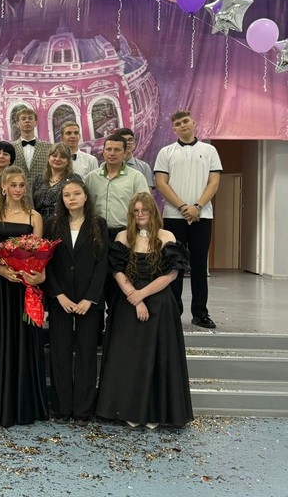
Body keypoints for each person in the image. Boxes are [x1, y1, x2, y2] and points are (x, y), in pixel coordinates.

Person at [96, 192, 193, 429]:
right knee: (128, 359)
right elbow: (117, 271)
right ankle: (128, 410)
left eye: (144, 210)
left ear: (153, 212)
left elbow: (171, 274)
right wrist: (135, 297)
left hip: (159, 304)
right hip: (128, 304)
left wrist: (143, 294)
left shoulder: (166, 236)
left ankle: (154, 413)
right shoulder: (123, 236)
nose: (140, 215)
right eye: (136, 211)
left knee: (157, 359)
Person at [0, 165, 47, 427]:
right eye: (13, 185)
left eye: (21, 185)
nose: (18, 189)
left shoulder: (34, 216)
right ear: (4, 187)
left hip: (23, 286)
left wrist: (33, 274)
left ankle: (22, 403)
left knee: (22, 340)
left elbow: (39, 252)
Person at [44, 178, 108, 425]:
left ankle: (82, 410)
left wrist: (90, 298)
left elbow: (102, 264)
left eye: (76, 194)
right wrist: (57, 294)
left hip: (88, 300)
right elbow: (47, 263)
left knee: (86, 353)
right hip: (60, 299)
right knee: (59, 353)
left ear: (86, 197)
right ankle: (62, 408)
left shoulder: (98, 225)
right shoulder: (52, 225)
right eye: (67, 195)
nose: (71, 198)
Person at [154, 111, 223, 329]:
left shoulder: (209, 150)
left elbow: (214, 182)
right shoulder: (166, 152)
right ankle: (174, 311)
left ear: (193, 123)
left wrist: (197, 207)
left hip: (202, 216)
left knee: (199, 264)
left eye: (185, 121)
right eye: (178, 123)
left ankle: (200, 313)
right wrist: (184, 207)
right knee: (175, 264)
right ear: (173, 129)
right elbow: (161, 183)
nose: (182, 125)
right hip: (174, 216)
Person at [84, 134, 150, 241]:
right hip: (96, 233)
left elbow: (146, 207)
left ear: (125, 153)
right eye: (108, 149)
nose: (112, 153)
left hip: (127, 232)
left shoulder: (136, 177)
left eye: (117, 150)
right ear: (103, 152)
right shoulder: (91, 178)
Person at [32, 142, 82, 224]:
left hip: (64, 222)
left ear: (68, 161)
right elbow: (32, 204)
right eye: (54, 155)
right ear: (48, 158)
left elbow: (78, 204)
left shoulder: (74, 179)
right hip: (39, 222)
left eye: (62, 157)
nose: (57, 159)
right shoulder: (39, 179)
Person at [11, 106, 52, 188]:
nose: (27, 121)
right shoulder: (10, 148)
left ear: (36, 123)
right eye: (23, 119)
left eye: (30, 118)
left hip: (42, 191)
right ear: (17, 124)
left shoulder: (49, 147)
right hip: (17, 191)